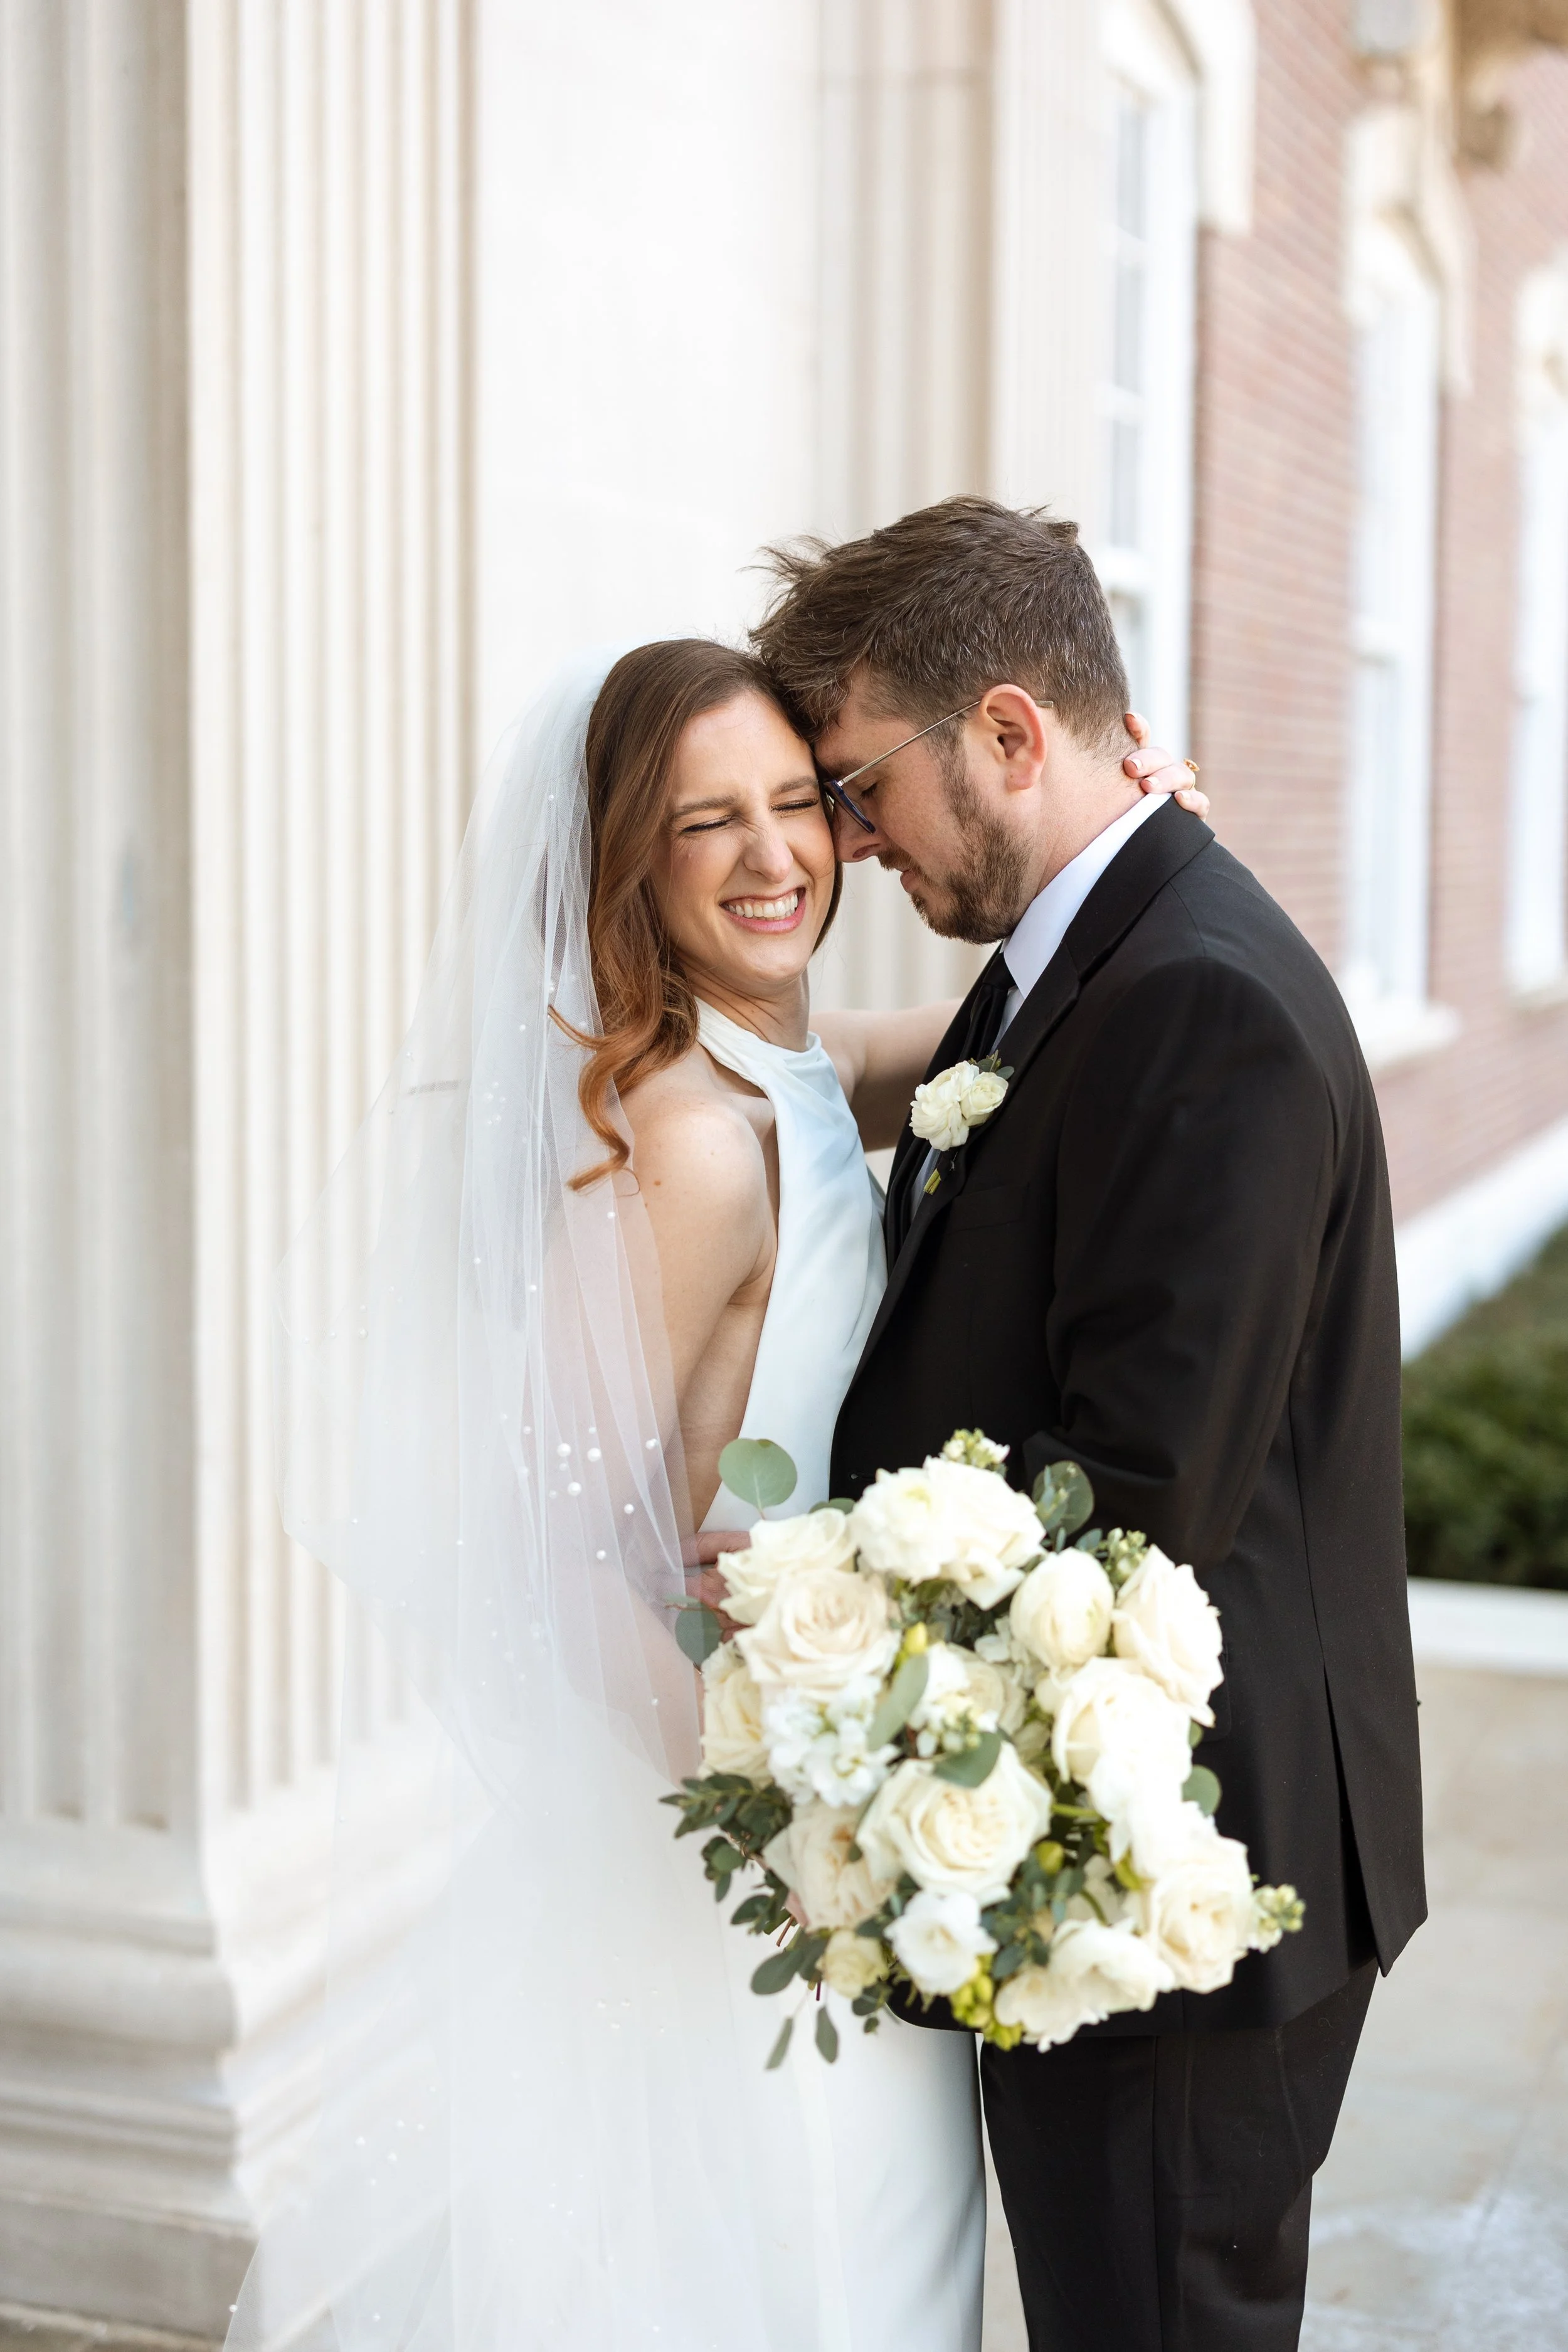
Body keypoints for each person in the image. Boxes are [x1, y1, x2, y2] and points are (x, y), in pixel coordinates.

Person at [250, 632, 1198, 2352]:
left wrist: (1121, 878)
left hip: (833, 1816)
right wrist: (776, 1825)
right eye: (707, 823)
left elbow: (936, 1051)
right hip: (739, 1847)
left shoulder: (776, 1070)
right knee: (807, 2282)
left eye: (799, 802)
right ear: (627, 859)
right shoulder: (679, 1143)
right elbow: (541, 1528)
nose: (774, 857)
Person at [752, 495, 1427, 2352]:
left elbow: (1136, 1493)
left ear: (1008, 733)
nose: (847, 838)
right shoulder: (1098, 940)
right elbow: (967, 1112)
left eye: (853, 783)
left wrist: (790, 1613)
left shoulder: (1193, 996)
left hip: (1180, 1883)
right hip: (1111, 1843)